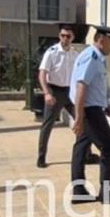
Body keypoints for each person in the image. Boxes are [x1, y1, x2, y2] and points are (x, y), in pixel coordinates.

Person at [69, 25, 110, 204]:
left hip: (92, 108)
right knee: (109, 146)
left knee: (81, 147)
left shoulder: (97, 57)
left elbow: (94, 87)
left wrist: (106, 105)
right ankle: (106, 192)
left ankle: (79, 190)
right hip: (89, 110)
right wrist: (79, 118)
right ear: (101, 39)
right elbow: (81, 87)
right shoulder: (91, 57)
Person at [37, 24, 79, 168]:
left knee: (82, 121)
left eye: (68, 36)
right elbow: (42, 74)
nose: (65, 39)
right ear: (59, 36)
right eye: (62, 35)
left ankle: (85, 154)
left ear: (72, 37)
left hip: (70, 92)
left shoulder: (75, 54)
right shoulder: (52, 52)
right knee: (47, 125)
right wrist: (47, 93)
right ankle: (41, 157)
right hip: (55, 91)